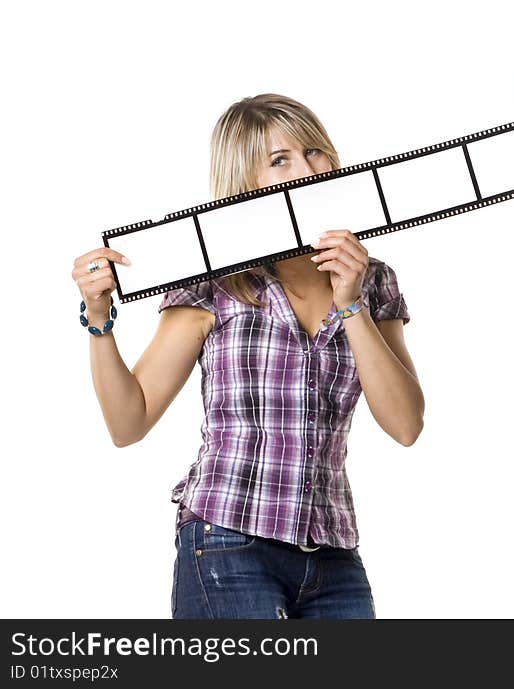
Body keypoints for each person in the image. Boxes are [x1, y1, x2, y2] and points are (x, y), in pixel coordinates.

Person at [70, 94, 425, 619]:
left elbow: (405, 425)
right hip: (227, 541)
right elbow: (129, 421)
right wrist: (98, 320)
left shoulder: (372, 278)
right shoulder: (215, 282)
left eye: (314, 152)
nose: (307, 169)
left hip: (334, 557)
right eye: (279, 160)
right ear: (244, 185)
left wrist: (351, 305)